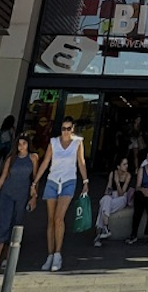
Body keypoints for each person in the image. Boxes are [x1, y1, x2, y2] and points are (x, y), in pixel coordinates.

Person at [32, 115, 88, 271]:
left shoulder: (78, 142)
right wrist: (35, 182)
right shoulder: (53, 143)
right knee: (50, 220)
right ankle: (50, 255)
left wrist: (85, 181)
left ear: (73, 129)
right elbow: (45, 162)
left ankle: (58, 254)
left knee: (59, 218)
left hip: (69, 181)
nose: (65, 131)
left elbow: (81, 161)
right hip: (52, 181)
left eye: (68, 128)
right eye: (63, 128)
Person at [0, 134, 38, 276]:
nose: (21, 147)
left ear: (28, 144)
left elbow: (35, 179)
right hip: (7, 194)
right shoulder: (11, 159)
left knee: (17, 225)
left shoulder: (33, 158)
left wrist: (34, 198)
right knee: (3, 225)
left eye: (24, 144)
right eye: (19, 144)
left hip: (22, 196)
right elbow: (2, 179)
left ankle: (8, 259)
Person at [95, 156, 133, 246]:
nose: (126, 166)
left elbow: (121, 193)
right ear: (118, 166)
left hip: (122, 198)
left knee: (103, 206)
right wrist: (108, 194)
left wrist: (117, 182)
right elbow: (108, 189)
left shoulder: (128, 175)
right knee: (105, 200)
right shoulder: (112, 173)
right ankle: (105, 226)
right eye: (124, 164)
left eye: (127, 164)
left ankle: (98, 235)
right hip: (112, 196)